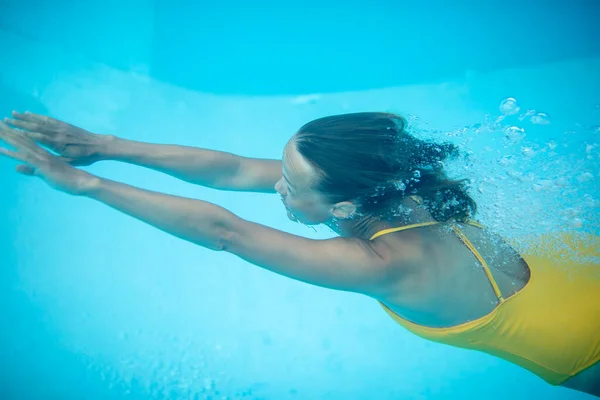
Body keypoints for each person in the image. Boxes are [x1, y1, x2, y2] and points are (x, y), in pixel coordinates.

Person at [1, 111, 598, 397]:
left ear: (343, 206)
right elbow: (232, 170)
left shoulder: (384, 266)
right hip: (581, 270)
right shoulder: (402, 183)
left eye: (289, 183)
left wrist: (85, 184)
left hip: (579, 347)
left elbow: (224, 232)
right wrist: (104, 146)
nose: (274, 185)